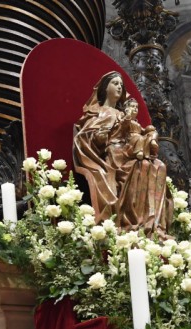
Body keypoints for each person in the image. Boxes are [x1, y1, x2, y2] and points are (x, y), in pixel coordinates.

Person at [73, 71, 173, 238]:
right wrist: (100, 137)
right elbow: (86, 138)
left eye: (121, 84)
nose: (119, 87)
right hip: (114, 156)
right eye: (115, 83)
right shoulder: (98, 112)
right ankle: (134, 223)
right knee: (142, 165)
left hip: (130, 151)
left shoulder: (124, 113)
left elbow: (135, 133)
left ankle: (154, 226)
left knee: (160, 166)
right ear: (105, 88)